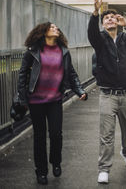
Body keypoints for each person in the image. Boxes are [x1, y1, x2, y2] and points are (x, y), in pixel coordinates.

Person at [17, 22, 87, 185]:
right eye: (52, 27)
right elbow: (22, 76)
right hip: (35, 101)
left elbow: (71, 73)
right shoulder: (32, 52)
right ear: (43, 31)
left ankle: (56, 162)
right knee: (39, 137)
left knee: (56, 134)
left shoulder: (63, 51)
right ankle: (41, 171)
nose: (56, 29)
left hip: (55, 100)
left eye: (57, 28)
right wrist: (22, 99)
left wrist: (80, 91)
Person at [88, 0, 126, 184]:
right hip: (107, 95)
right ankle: (104, 168)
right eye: (107, 18)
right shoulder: (100, 40)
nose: (110, 19)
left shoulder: (124, 39)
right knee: (107, 134)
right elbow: (91, 33)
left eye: (113, 17)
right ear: (103, 24)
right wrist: (95, 13)